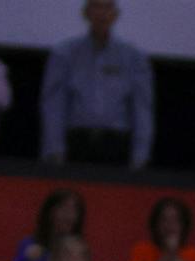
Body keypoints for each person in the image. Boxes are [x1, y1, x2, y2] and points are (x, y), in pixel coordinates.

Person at [39, 0, 153, 168]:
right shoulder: (65, 53)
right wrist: (54, 148)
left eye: (107, 7)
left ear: (115, 15)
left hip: (117, 143)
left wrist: (141, 154)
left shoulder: (133, 56)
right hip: (77, 141)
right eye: (96, 7)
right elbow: (54, 104)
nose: (101, 13)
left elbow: (142, 108)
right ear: (85, 13)